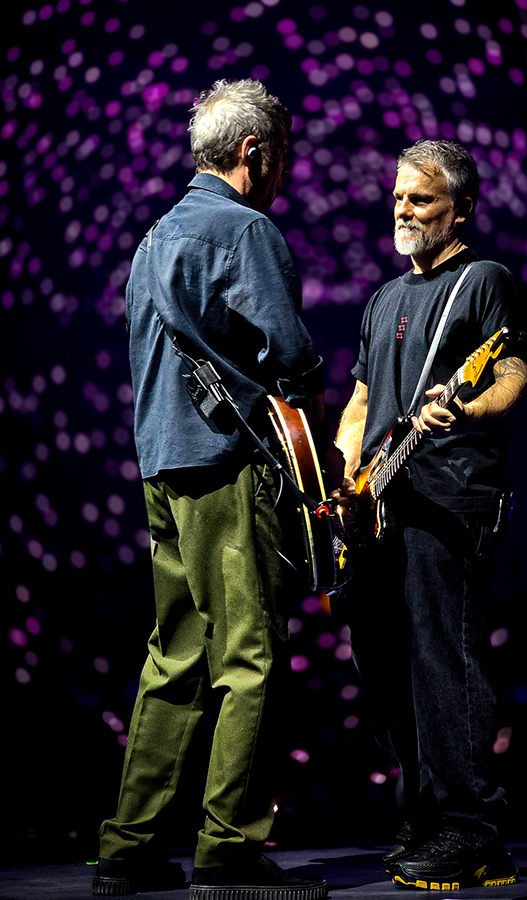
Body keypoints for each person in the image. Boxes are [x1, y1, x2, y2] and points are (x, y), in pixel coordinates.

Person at [93, 79, 329, 900]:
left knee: (175, 656)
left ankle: (128, 848)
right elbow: (290, 355)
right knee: (250, 657)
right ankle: (228, 849)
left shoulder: (153, 237)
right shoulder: (247, 230)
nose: (284, 174)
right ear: (253, 152)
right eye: (282, 157)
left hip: (162, 466)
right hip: (228, 468)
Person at [333, 139, 527, 891]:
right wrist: (344, 478)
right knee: (384, 668)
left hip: (448, 499)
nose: (403, 211)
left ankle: (473, 831)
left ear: (462, 208)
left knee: (445, 662)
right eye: (398, 198)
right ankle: (424, 819)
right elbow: (360, 402)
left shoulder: (484, 281)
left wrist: (469, 409)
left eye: (421, 199)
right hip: (379, 505)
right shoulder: (383, 298)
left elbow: (511, 372)